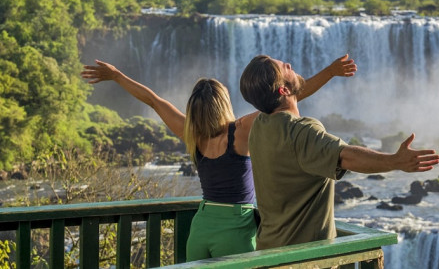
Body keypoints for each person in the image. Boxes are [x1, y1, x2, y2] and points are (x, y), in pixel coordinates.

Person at [80, 56, 357, 260]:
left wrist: (116, 75)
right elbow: (286, 96)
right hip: (235, 227)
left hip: (201, 227)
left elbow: (153, 100)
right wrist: (330, 72)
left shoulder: (192, 135)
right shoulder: (241, 130)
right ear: (223, 104)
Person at [239, 55, 439, 250]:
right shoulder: (302, 131)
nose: (289, 64)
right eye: (284, 67)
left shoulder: (260, 124)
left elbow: (291, 94)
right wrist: (395, 161)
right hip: (304, 258)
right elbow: (346, 156)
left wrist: (330, 72)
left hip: (269, 251)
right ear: (283, 89)